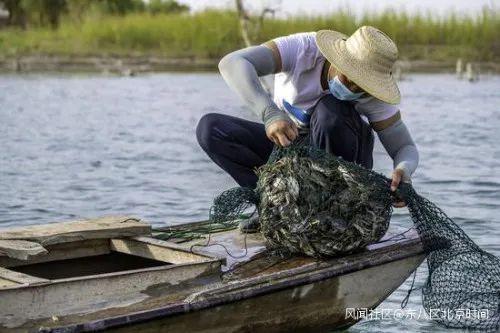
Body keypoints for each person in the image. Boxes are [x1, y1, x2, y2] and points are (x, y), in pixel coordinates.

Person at [196, 26, 419, 232]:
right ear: (337, 60)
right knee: (212, 129)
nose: (353, 88)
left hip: (342, 170)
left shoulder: (374, 95)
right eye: (350, 79)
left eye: (362, 88)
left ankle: (333, 212)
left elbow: (405, 147)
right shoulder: (303, 50)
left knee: (329, 110)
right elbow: (232, 62)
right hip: (289, 153)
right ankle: (274, 206)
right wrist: (269, 113)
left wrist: (403, 170)